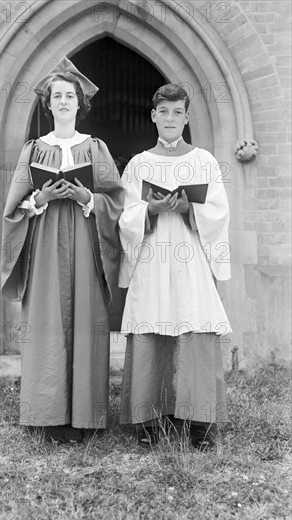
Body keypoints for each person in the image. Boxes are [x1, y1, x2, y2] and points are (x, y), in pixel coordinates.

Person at [1, 57, 124, 444]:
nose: (64, 101)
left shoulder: (96, 148)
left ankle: (85, 418)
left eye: (70, 96)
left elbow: (117, 201)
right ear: (49, 104)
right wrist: (39, 197)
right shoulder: (34, 150)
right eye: (58, 96)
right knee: (47, 320)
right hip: (45, 242)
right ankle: (46, 416)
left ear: (79, 104)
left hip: (87, 239)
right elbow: (12, 210)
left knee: (87, 318)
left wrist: (89, 196)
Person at [118, 84, 231, 450]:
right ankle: (151, 420)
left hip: (189, 254)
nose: (170, 119)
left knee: (192, 317)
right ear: (153, 115)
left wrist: (187, 209)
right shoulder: (139, 164)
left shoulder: (204, 161)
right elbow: (125, 217)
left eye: (177, 112)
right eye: (163, 112)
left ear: (186, 116)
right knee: (153, 318)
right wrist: (150, 209)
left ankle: (198, 423)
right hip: (152, 255)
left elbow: (219, 212)